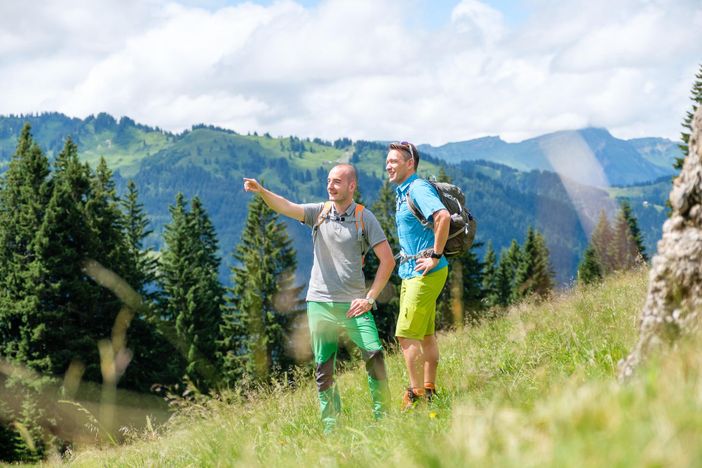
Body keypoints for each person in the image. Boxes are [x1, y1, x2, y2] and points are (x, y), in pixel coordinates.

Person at [243, 164, 395, 433]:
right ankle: (330, 427)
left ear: (351, 186)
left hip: (355, 306)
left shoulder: (364, 217)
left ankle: (384, 419)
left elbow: (387, 261)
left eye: (337, 181)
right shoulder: (319, 213)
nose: (330, 186)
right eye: (328, 181)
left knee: (375, 355)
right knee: (324, 368)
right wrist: (262, 191)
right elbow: (286, 207)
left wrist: (370, 298)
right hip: (320, 303)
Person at [385, 141, 450, 409]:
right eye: (387, 161)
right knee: (425, 334)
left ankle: (416, 394)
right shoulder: (402, 192)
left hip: (425, 270)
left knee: (405, 334)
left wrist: (434, 255)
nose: (388, 165)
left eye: (394, 161)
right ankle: (430, 389)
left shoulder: (417, 188)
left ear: (410, 163)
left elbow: (442, 216)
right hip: (412, 271)